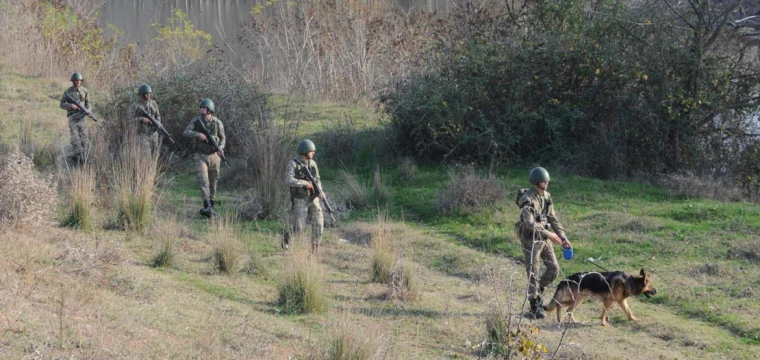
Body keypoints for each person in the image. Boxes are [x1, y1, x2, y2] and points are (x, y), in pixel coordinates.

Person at [516, 166, 572, 319]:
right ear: (536, 182)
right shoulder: (527, 199)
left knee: (553, 269)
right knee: (533, 272)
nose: (546, 183)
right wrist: (550, 234)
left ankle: (538, 293)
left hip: (545, 239)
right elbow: (529, 224)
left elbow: (553, 218)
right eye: (543, 181)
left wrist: (563, 238)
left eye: (547, 181)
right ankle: (534, 305)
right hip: (531, 240)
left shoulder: (546, 196)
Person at [183, 99, 225, 218]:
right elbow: (186, 132)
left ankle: (211, 207)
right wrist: (198, 135)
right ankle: (206, 205)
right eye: (201, 108)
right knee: (203, 180)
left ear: (209, 110)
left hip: (214, 156)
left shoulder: (217, 123)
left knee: (213, 181)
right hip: (200, 155)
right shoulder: (197, 121)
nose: (201, 110)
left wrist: (221, 147)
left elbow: (223, 138)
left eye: (204, 108)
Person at [285, 139, 324, 255]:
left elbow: (317, 180)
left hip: (314, 198)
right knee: (299, 227)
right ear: (305, 151)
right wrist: (304, 183)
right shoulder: (293, 164)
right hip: (300, 199)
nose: (313, 153)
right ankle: (287, 238)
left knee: (319, 224)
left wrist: (320, 191)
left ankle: (314, 251)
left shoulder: (313, 164)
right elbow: (289, 180)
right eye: (312, 151)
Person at [59, 72, 91, 164]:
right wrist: (71, 106)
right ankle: (76, 159)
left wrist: (88, 111)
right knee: (75, 139)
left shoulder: (85, 91)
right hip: (72, 118)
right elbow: (61, 104)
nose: (78, 82)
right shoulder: (68, 92)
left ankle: (84, 159)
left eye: (79, 81)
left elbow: (89, 105)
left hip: (82, 118)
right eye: (76, 80)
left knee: (84, 139)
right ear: (73, 81)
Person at [128, 84, 161, 158]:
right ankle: (146, 169)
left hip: (153, 134)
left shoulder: (153, 103)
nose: (148, 95)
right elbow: (129, 120)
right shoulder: (135, 106)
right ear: (142, 95)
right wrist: (141, 119)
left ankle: (153, 169)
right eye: (146, 94)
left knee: (155, 155)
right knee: (147, 157)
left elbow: (158, 115)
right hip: (142, 134)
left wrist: (158, 122)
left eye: (149, 93)